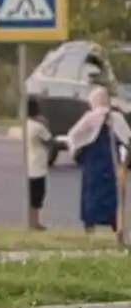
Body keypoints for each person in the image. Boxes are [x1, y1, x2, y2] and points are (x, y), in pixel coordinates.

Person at [65, 84, 130, 235]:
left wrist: (76, 152)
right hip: (111, 162)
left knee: (91, 192)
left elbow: (73, 135)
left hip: (93, 162)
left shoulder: (90, 118)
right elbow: (127, 138)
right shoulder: (116, 117)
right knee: (112, 192)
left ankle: (90, 224)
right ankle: (115, 223)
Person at [24, 95, 54, 232]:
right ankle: (35, 223)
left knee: (31, 195)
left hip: (28, 165)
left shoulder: (26, 125)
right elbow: (50, 142)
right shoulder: (38, 127)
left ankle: (31, 222)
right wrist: (45, 123)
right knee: (37, 196)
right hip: (37, 166)